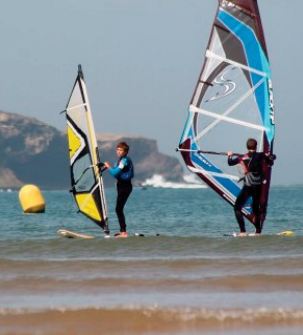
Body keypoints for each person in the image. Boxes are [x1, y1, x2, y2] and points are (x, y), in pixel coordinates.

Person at [227, 138, 276, 236]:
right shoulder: (261, 155)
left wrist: (229, 155)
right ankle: (258, 232)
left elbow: (230, 163)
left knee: (237, 207)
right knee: (256, 209)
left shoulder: (242, 157)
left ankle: (243, 231)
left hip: (248, 186)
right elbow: (271, 162)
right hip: (258, 187)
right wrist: (270, 156)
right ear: (256, 146)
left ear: (247, 147)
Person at [104, 142, 134, 238]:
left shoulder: (124, 161)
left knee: (118, 209)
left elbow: (115, 173)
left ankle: (124, 232)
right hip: (121, 186)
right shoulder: (121, 160)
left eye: (121, 150)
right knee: (119, 209)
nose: (119, 152)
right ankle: (123, 231)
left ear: (126, 152)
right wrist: (106, 167)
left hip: (125, 187)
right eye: (117, 149)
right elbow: (115, 169)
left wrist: (109, 167)